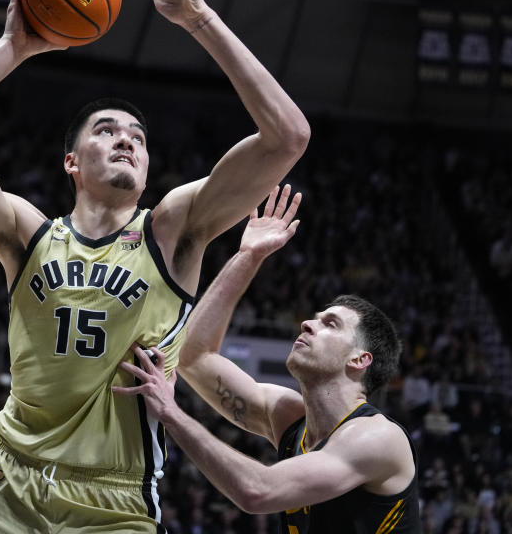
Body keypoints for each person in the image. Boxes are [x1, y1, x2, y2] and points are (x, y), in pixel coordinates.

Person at [0, 0, 311, 534]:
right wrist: (14, 46)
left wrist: (198, 17)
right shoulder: (26, 232)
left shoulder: (173, 230)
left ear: (148, 169)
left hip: (112, 503)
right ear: (72, 161)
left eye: (138, 137)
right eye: (107, 130)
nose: (126, 139)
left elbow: (288, 137)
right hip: (5, 482)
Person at [114, 186, 421, 533]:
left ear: (359, 360)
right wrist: (249, 256)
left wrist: (171, 414)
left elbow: (257, 492)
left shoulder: (377, 438)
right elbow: (194, 357)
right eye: (315, 317)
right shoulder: (288, 417)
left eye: (329, 323)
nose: (307, 322)